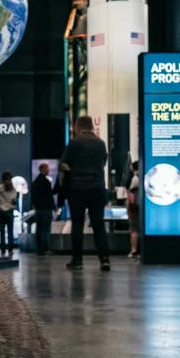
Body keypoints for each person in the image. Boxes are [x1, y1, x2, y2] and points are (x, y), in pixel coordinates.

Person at [61, 115, 111, 271]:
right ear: (90, 127)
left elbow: (64, 164)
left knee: (77, 224)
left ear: (78, 127)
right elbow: (103, 162)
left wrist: (75, 170)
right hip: (97, 188)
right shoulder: (101, 143)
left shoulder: (74, 143)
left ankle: (77, 260)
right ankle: (104, 259)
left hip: (77, 189)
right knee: (98, 224)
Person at [32, 163, 56, 256]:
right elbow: (49, 196)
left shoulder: (35, 182)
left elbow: (33, 197)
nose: (49, 170)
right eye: (47, 168)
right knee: (45, 230)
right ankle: (45, 249)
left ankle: (38, 249)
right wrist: (54, 207)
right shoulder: (46, 182)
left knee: (39, 228)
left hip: (38, 209)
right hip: (46, 209)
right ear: (42, 169)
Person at [0, 171, 18, 257]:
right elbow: (14, 202)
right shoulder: (14, 190)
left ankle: (2, 250)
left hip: (1, 211)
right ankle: (11, 250)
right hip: (10, 212)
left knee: (2, 232)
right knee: (10, 232)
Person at [127, 161, 140, 258]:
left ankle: (134, 250)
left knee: (134, 229)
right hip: (142, 207)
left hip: (135, 207)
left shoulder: (135, 178)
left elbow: (131, 194)